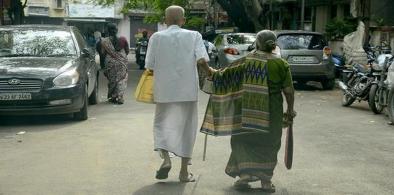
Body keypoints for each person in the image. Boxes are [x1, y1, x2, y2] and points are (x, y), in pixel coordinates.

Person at [202, 30, 296, 192]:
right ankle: (266, 181)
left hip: (246, 111)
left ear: (257, 44)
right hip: (273, 111)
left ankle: (245, 175)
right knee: (270, 143)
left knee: (241, 140)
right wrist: (290, 110)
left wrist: (205, 66)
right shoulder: (281, 64)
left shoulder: (245, 62)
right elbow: (288, 90)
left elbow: (221, 77)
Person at [144, 5, 213, 182]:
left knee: (161, 125)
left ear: (165, 20)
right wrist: (210, 72)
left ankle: (166, 160)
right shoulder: (194, 36)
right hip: (188, 90)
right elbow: (201, 59)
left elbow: (150, 65)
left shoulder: (156, 37)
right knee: (187, 129)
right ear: (183, 20)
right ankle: (183, 172)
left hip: (164, 90)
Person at [99, 23, 130, 104]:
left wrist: (103, 66)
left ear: (108, 31)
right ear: (117, 30)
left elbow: (102, 54)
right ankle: (120, 97)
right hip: (122, 62)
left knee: (112, 80)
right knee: (121, 79)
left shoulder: (104, 41)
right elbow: (127, 51)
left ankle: (112, 97)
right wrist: (121, 57)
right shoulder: (123, 39)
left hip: (110, 63)